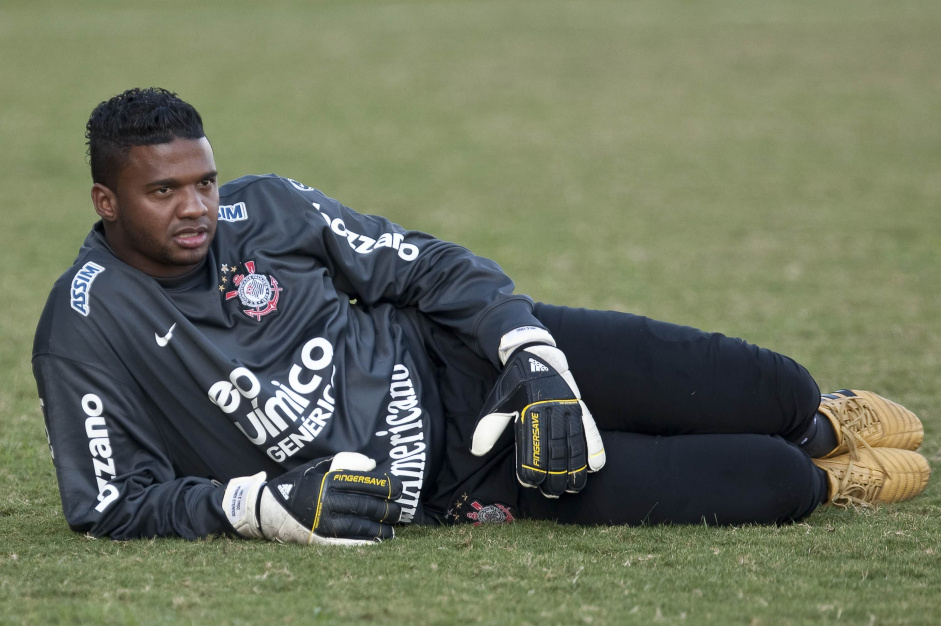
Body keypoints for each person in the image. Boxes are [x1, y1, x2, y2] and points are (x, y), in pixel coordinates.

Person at [32, 87, 930, 544]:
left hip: (469, 362)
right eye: (163, 191)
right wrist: (262, 503)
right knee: (770, 488)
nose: (194, 208)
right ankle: (824, 474)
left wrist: (531, 357)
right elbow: (112, 503)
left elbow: (429, 266)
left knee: (765, 386)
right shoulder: (83, 328)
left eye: (203, 180)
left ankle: (823, 423)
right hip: (461, 484)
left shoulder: (265, 211)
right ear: (107, 201)